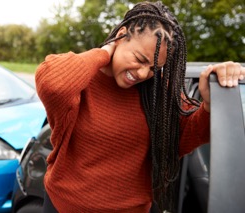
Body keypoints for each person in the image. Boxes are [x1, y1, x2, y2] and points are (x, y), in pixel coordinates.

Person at [35, 1, 245, 213]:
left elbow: (186, 137)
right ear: (122, 34)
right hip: (65, 207)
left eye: (154, 67)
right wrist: (106, 51)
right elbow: (54, 83)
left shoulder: (158, 91)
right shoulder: (83, 80)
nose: (143, 74)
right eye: (139, 59)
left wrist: (209, 104)